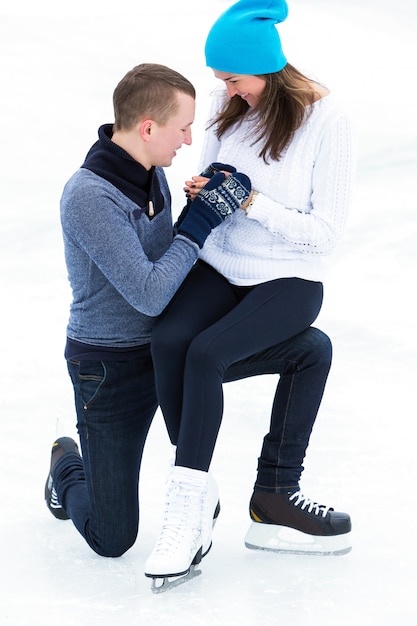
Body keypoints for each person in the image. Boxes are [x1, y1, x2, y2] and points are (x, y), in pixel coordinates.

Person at [44, 61, 334, 567]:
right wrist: (198, 223)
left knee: (309, 348)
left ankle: (263, 489)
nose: (189, 139)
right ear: (149, 128)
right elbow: (151, 293)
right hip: (108, 370)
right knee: (113, 538)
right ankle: (67, 468)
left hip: (164, 352)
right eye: (182, 128)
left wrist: (212, 205)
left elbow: (168, 259)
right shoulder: (88, 196)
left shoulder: (151, 172)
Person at [145, 0, 355, 581]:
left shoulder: (328, 120)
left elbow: (325, 235)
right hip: (221, 263)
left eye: (235, 80)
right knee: (168, 341)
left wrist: (252, 202)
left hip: (288, 275)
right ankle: (201, 492)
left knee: (207, 354)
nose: (228, 93)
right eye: (222, 82)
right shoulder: (225, 100)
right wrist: (204, 190)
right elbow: (213, 182)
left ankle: (185, 518)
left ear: (266, 67)